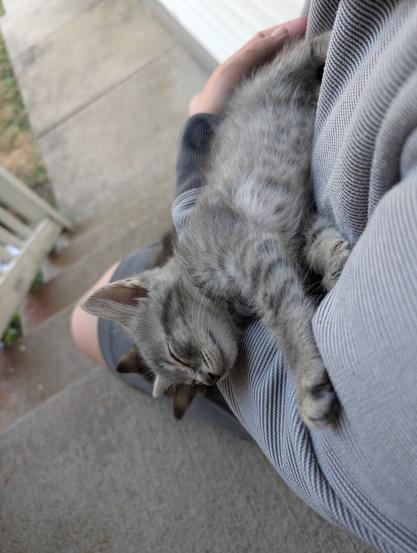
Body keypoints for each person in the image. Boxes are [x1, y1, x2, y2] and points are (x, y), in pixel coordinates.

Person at [71, 1, 417, 551]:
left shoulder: (204, 259)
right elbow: (290, 232)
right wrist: (325, 252)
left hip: (285, 96)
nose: (211, 372)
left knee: (81, 320)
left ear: (141, 295)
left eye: (188, 357)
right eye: (199, 376)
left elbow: (261, 260)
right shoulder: (215, 307)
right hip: (304, 164)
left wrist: (303, 364)